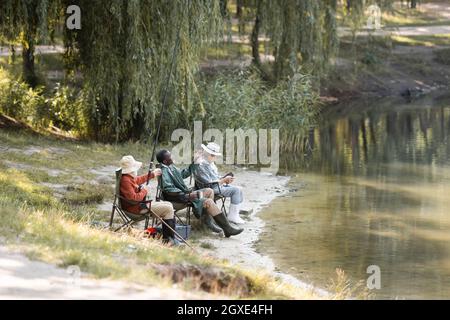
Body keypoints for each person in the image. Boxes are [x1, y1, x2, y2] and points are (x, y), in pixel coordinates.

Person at [156, 149, 243, 238]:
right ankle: (227, 229)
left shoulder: (170, 167)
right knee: (208, 202)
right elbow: (168, 189)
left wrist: (195, 162)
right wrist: (187, 196)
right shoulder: (163, 171)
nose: (173, 157)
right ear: (165, 161)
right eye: (170, 156)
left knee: (209, 191)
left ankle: (207, 222)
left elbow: (184, 173)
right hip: (177, 199)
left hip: (183, 195)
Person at [119, 155, 178, 245]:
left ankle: (169, 237)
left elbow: (138, 180)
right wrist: (145, 190)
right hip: (136, 209)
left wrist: (152, 174)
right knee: (168, 209)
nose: (136, 169)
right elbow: (134, 198)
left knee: (169, 205)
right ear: (131, 169)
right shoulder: (126, 180)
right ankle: (168, 240)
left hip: (138, 205)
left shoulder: (128, 177)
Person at [194, 142, 250, 225]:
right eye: (212, 155)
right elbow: (207, 183)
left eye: (215, 155)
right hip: (209, 189)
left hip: (216, 185)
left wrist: (225, 179)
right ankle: (232, 216)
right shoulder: (201, 165)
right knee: (236, 190)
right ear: (206, 153)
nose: (214, 157)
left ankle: (235, 213)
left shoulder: (210, 163)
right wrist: (223, 180)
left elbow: (215, 177)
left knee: (239, 189)